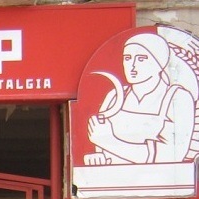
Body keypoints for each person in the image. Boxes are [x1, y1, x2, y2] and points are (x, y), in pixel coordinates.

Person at [85, 32, 198, 166]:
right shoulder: (113, 96)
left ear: (160, 64)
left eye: (141, 58)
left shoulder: (177, 98)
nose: (132, 65)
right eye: (127, 58)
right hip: (115, 177)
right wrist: (99, 158)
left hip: (157, 178)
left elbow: (171, 155)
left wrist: (109, 142)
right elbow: (100, 146)